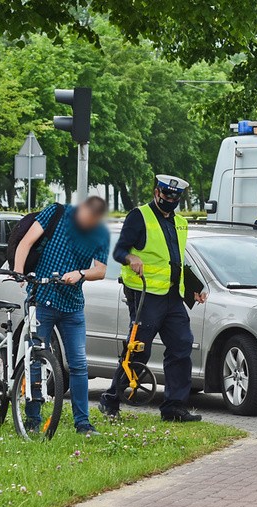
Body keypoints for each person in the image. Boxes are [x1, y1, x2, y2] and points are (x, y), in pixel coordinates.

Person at [99, 175, 207, 422]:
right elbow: (119, 251)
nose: (171, 200)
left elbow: (175, 261)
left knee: (181, 346)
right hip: (145, 297)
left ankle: (174, 408)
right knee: (138, 351)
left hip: (172, 297)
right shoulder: (139, 216)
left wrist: (193, 287)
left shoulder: (180, 223)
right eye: (167, 195)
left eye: (175, 197)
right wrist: (131, 259)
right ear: (156, 192)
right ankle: (111, 399)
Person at [14, 196, 109, 435]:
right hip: (42, 297)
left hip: (72, 306)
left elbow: (100, 270)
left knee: (78, 364)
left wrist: (80, 273)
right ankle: (33, 420)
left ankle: (83, 423)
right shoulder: (56, 213)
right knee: (34, 359)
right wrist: (18, 273)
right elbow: (26, 242)